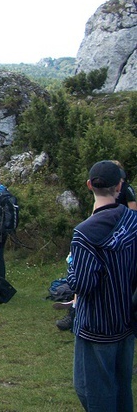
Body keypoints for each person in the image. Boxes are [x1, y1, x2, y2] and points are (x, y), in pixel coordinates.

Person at [67, 160, 137, 412]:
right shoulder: (133, 222)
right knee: (121, 387)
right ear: (119, 186)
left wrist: (71, 270)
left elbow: (83, 284)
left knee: (92, 390)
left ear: (89, 185)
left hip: (96, 324)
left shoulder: (85, 233)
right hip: (126, 318)